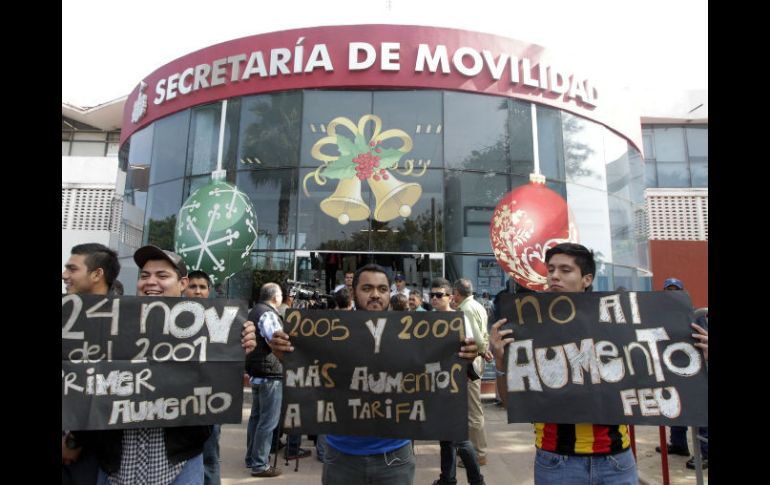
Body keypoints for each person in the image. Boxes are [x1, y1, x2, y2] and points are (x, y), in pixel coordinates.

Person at [268, 264, 482, 485]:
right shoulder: (331, 331)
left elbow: (438, 376)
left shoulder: (411, 333)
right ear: (353, 292)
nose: (375, 295)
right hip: (341, 457)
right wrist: (284, 355)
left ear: (390, 293)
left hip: (395, 457)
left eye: (382, 289)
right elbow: (309, 370)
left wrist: (464, 356)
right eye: (367, 288)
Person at [490, 243, 638, 484]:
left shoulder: (616, 322)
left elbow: (655, 374)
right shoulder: (530, 326)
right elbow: (511, 403)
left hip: (616, 461)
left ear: (586, 279)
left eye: (565, 270)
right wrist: (500, 359)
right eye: (551, 269)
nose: (554, 276)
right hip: (557, 462)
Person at [62, 243, 120, 485]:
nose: (65, 275)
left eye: (72, 269)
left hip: (90, 456)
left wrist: (73, 441)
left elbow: (108, 390)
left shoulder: (124, 323)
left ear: (97, 274)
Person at [429, 278, 486, 485]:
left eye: (439, 294)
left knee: (458, 436)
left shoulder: (460, 319)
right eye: (432, 295)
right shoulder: (428, 321)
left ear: (450, 297)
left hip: (456, 382)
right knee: (446, 435)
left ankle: (475, 479)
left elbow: (471, 347)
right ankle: (448, 478)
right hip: (437, 382)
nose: (435, 298)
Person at [654, 277, 709, 470]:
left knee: (700, 412)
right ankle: (678, 444)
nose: (672, 293)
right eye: (668, 290)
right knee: (675, 407)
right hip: (672, 369)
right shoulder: (658, 316)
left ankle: (706, 453)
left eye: (675, 290)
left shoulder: (694, 314)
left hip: (695, 370)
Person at [184, 270, 221, 485]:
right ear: (184, 287)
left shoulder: (220, 318)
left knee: (210, 457)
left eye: (202, 287)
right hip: (175, 400)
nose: (197, 291)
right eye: (193, 286)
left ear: (209, 291)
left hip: (209, 400)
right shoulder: (167, 317)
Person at [453, 279, 491, 467]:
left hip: (471, 360)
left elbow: (475, 338)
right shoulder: (477, 305)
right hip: (477, 358)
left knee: (473, 409)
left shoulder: (465, 309)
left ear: (457, 293)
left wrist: (482, 350)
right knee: (472, 407)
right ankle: (474, 452)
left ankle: (478, 454)